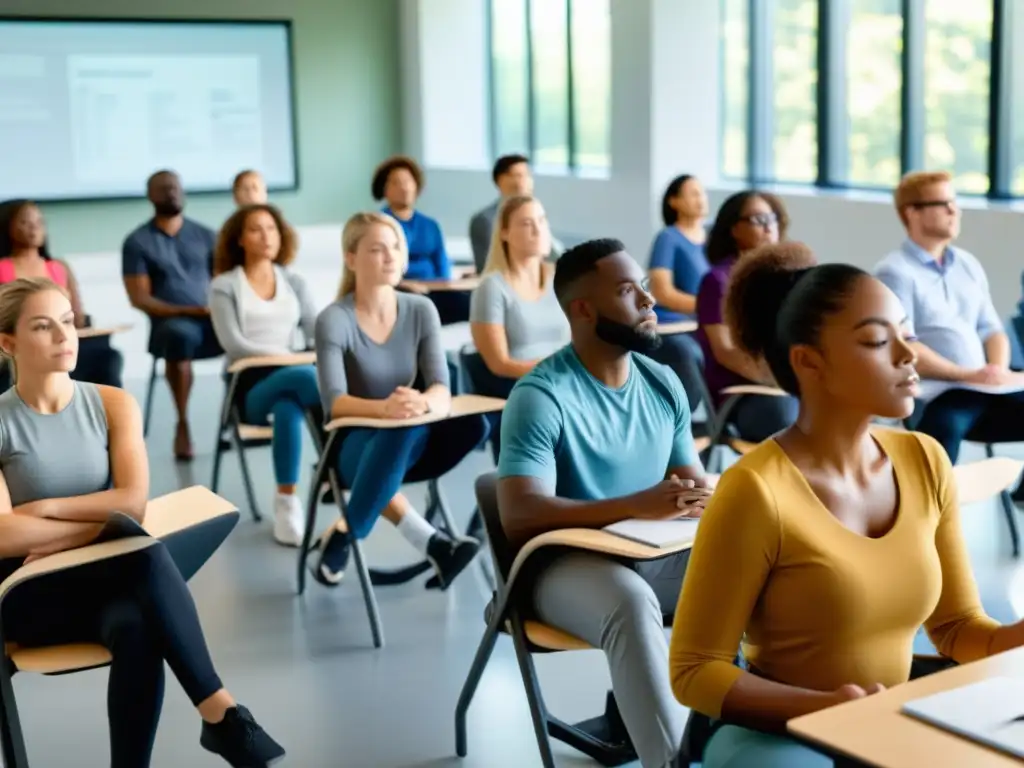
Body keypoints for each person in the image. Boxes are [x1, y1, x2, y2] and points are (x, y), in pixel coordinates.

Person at [668, 242, 1024, 767]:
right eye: (879, 341)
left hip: (881, 721)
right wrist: (829, 708)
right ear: (809, 362)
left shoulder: (924, 458)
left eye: (908, 334)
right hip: (775, 733)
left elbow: (958, 629)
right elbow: (695, 669)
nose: (907, 355)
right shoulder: (756, 488)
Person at [0, 277, 284, 768]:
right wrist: (100, 524)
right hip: (23, 590)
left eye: (67, 322)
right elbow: (5, 535)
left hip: (101, 581)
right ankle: (222, 715)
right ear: (8, 343)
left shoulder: (113, 403)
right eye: (43, 327)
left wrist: (45, 510)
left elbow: (132, 504)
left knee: (138, 622)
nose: (64, 336)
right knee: (144, 551)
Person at [497, 238, 715, 768]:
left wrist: (707, 498)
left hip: (651, 554)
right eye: (627, 290)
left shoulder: (663, 382)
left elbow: (692, 487)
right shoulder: (540, 396)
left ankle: (730, 741)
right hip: (558, 568)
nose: (648, 300)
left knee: (755, 571)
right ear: (583, 309)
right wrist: (637, 503)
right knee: (629, 601)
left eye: (644, 285)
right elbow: (520, 514)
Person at [312, 211, 486, 589]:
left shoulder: (421, 310)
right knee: (399, 430)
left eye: (396, 247)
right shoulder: (333, 319)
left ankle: (345, 532)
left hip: (410, 440)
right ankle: (426, 545)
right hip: (351, 447)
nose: (391, 256)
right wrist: (386, 409)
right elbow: (335, 403)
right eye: (377, 249)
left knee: (467, 424)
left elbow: (441, 387)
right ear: (351, 258)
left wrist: (422, 403)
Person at [876, 170, 1024, 469]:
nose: (953, 210)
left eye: (954, 201)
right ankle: (936, 511)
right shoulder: (894, 271)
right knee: (942, 435)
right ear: (912, 213)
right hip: (939, 393)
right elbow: (906, 345)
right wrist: (966, 374)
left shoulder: (967, 263)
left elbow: (991, 328)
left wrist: (996, 368)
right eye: (942, 203)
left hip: (986, 387)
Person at [209, 204, 320, 547]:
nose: (266, 236)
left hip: (291, 379)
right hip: (249, 387)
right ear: (240, 239)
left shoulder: (293, 281)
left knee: (290, 407)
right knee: (306, 377)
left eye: (271, 228)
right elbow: (235, 344)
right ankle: (334, 463)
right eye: (256, 229)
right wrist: (290, 357)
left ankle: (286, 504)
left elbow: (316, 330)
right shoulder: (224, 286)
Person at [122, 170, 222, 461]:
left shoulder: (206, 235)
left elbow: (223, 281)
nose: (172, 193)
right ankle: (182, 423)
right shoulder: (138, 241)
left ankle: (240, 416)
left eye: (176, 187)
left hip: (213, 320)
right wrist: (188, 310)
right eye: (164, 188)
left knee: (247, 330)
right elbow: (139, 298)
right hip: (170, 324)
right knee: (179, 335)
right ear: (150, 195)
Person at [469, 196, 569, 459]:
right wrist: (555, 373)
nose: (537, 229)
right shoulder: (491, 287)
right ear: (504, 232)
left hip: (565, 380)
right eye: (526, 223)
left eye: (541, 220)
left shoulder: (562, 277)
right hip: (522, 387)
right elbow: (498, 362)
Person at [696, 191, 798, 442]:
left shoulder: (784, 277)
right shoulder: (718, 281)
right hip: (743, 393)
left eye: (771, 218)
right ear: (734, 229)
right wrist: (780, 380)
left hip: (786, 385)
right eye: (757, 219)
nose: (768, 227)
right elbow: (726, 351)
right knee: (789, 416)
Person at [0, 199, 123, 389]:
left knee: (108, 357)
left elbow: (78, 317)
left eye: (39, 222)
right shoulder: (2, 268)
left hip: (61, 341)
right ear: (7, 227)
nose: (34, 228)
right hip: (21, 345)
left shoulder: (59, 267)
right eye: (25, 222)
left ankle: (103, 417)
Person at [371, 155, 468, 325]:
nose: (404, 188)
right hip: (398, 290)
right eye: (396, 183)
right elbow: (375, 268)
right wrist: (404, 284)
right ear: (384, 190)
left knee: (468, 303)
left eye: (408, 181)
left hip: (433, 288)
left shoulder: (430, 225)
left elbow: (441, 261)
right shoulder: (378, 224)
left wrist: (444, 284)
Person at [468, 154, 563, 274]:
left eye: (528, 175)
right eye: (518, 175)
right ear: (500, 180)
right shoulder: (485, 220)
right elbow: (487, 266)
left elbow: (555, 256)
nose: (525, 181)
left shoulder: (537, 215)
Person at [647, 174, 710, 323]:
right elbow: (662, 293)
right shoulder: (668, 237)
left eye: (702, 193)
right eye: (694, 194)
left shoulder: (714, 235)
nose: (700, 199)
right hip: (680, 322)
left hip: (711, 319)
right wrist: (711, 307)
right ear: (674, 202)